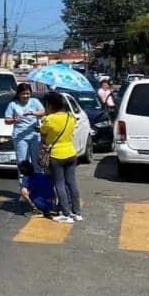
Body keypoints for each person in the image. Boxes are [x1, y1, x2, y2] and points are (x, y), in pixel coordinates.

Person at [40, 91, 82, 224]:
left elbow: (43, 135)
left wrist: (45, 119)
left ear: (50, 105)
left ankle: (66, 213)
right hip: (71, 153)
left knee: (59, 184)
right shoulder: (71, 116)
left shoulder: (49, 119)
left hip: (56, 155)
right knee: (72, 183)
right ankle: (77, 212)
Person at [5, 83, 46, 181]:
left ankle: (38, 190)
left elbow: (43, 112)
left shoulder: (35, 101)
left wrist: (32, 112)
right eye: (23, 94)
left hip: (35, 136)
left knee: (37, 163)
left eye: (28, 93)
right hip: (20, 137)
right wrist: (14, 120)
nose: (25, 96)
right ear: (18, 94)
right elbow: (7, 120)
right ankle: (24, 190)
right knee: (23, 163)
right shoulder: (13, 104)